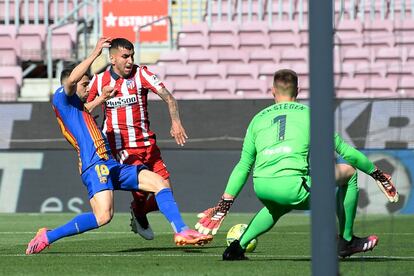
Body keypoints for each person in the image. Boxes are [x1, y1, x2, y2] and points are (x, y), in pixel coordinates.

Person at [25, 37, 212, 255]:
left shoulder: (78, 107)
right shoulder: (61, 100)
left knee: (161, 183)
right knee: (103, 216)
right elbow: (70, 83)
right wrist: (95, 52)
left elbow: (87, 108)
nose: (88, 89)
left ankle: (182, 230)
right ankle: (48, 236)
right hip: (95, 165)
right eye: (84, 85)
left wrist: (101, 98)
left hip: (111, 162)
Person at [195, 69, 399, 260]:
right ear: (298, 91)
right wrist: (377, 174)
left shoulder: (257, 119)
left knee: (277, 208)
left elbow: (243, 165)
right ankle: (346, 241)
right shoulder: (311, 114)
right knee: (350, 172)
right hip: (292, 186)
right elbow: (346, 152)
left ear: (272, 91)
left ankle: (236, 249)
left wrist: (224, 205)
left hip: (263, 186)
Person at [86, 38, 187, 240]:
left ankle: (139, 212)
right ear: (112, 59)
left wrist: (176, 122)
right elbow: (83, 112)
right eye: (125, 56)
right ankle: (181, 230)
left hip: (148, 145)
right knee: (145, 189)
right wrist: (99, 101)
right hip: (122, 148)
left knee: (166, 191)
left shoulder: (141, 74)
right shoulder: (99, 81)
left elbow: (169, 97)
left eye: (132, 56)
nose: (130, 61)